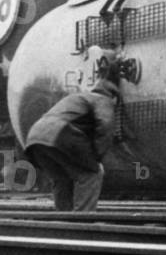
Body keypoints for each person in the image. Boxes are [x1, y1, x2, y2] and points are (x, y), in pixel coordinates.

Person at [24, 76, 119, 211]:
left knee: (62, 178)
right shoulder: (102, 99)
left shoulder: (78, 98)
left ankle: (64, 218)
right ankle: (83, 218)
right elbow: (105, 126)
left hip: (34, 137)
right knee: (92, 174)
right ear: (113, 97)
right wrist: (96, 158)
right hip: (59, 134)